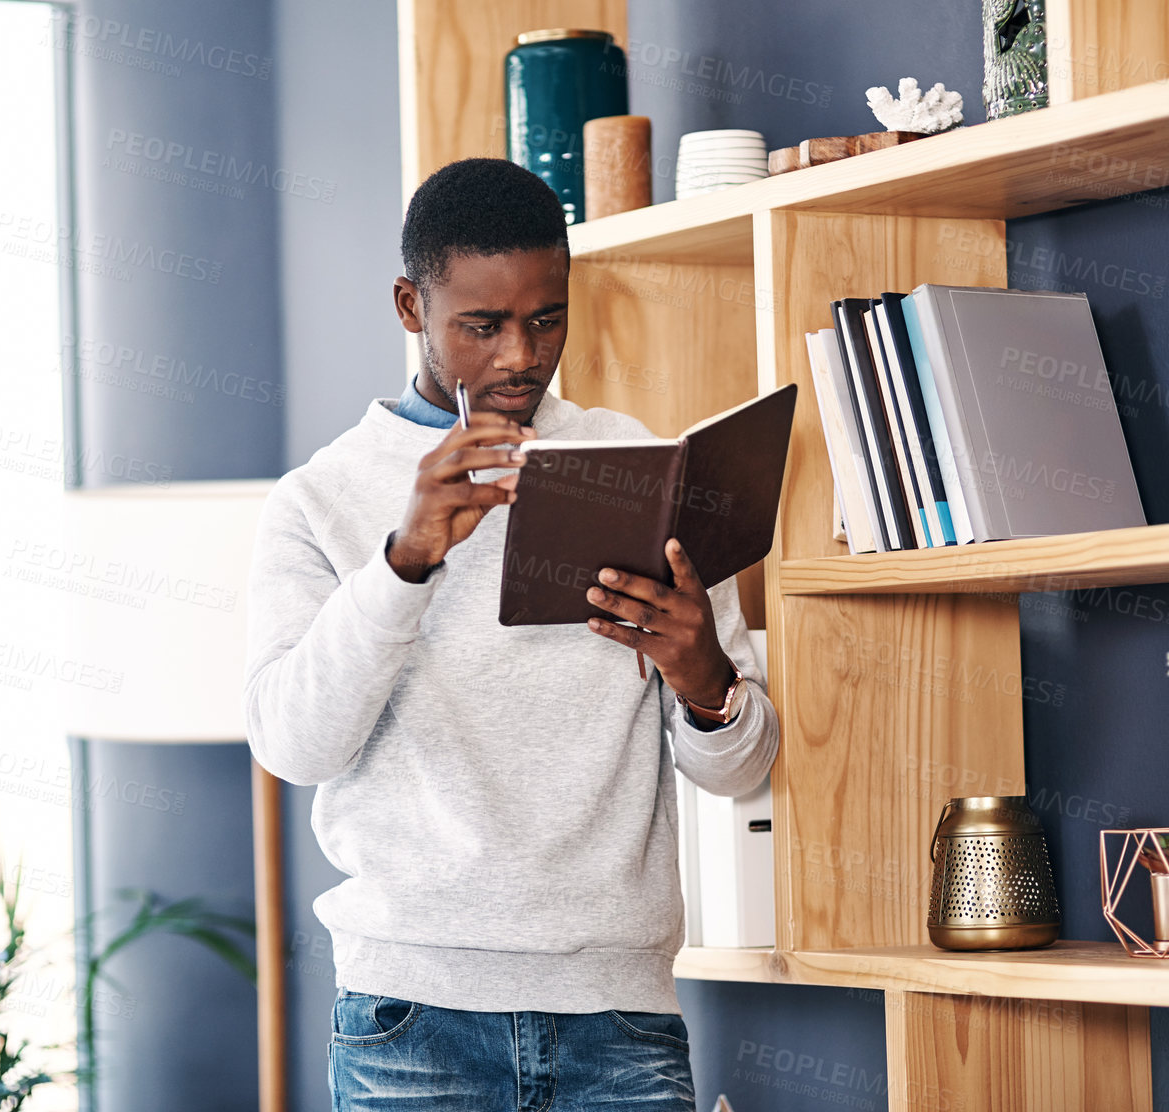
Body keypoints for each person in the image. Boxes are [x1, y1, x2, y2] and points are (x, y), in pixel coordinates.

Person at [244, 157, 779, 1111]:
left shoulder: (638, 465)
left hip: (619, 1017)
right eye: (481, 327)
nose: (520, 358)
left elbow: (739, 769)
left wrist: (704, 678)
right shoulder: (320, 500)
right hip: (410, 1020)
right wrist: (405, 560)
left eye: (547, 319)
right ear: (411, 306)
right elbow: (292, 746)